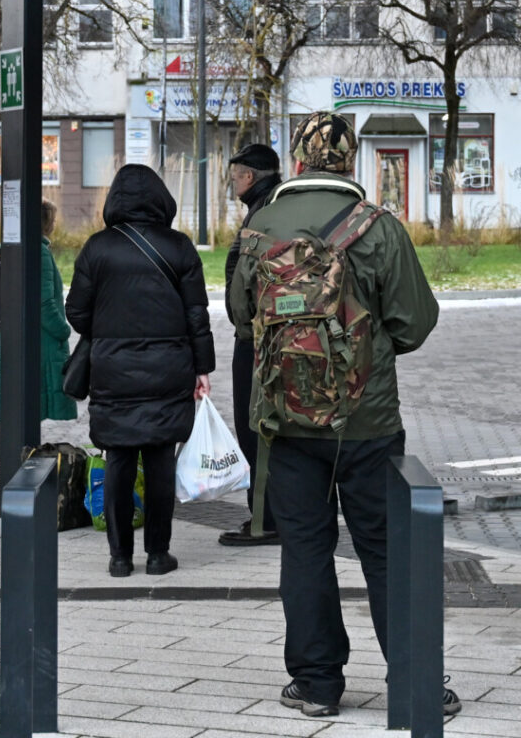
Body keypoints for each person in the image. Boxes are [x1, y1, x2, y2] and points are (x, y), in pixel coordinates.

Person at [228, 112, 455, 720]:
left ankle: (318, 684)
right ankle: (416, 682)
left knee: (304, 547)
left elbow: (236, 311)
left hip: (283, 419)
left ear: (296, 161)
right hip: (366, 419)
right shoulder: (378, 228)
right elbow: (415, 322)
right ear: (349, 161)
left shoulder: (259, 225)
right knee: (385, 549)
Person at [65, 164, 214, 578]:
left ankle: (118, 557)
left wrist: (113, 327)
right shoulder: (180, 247)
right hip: (170, 371)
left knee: (119, 460)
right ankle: (158, 554)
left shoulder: (97, 249)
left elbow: (77, 312)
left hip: (113, 372)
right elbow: (196, 315)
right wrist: (202, 368)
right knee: (161, 460)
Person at [219, 143, 283, 546]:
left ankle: (265, 520)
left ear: (250, 177)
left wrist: (243, 322)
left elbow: (246, 280)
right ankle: (275, 515)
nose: (231, 183)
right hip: (271, 335)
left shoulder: (262, 215)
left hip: (257, 339)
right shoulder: (274, 206)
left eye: (234, 176)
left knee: (254, 428)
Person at [0, 199, 77, 423]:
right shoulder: (39, 253)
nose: (55, 224)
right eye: (53, 220)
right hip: (39, 343)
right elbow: (44, 303)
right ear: (45, 223)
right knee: (31, 405)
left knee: (20, 405)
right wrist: (63, 330)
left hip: (10, 337)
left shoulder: (8, 247)